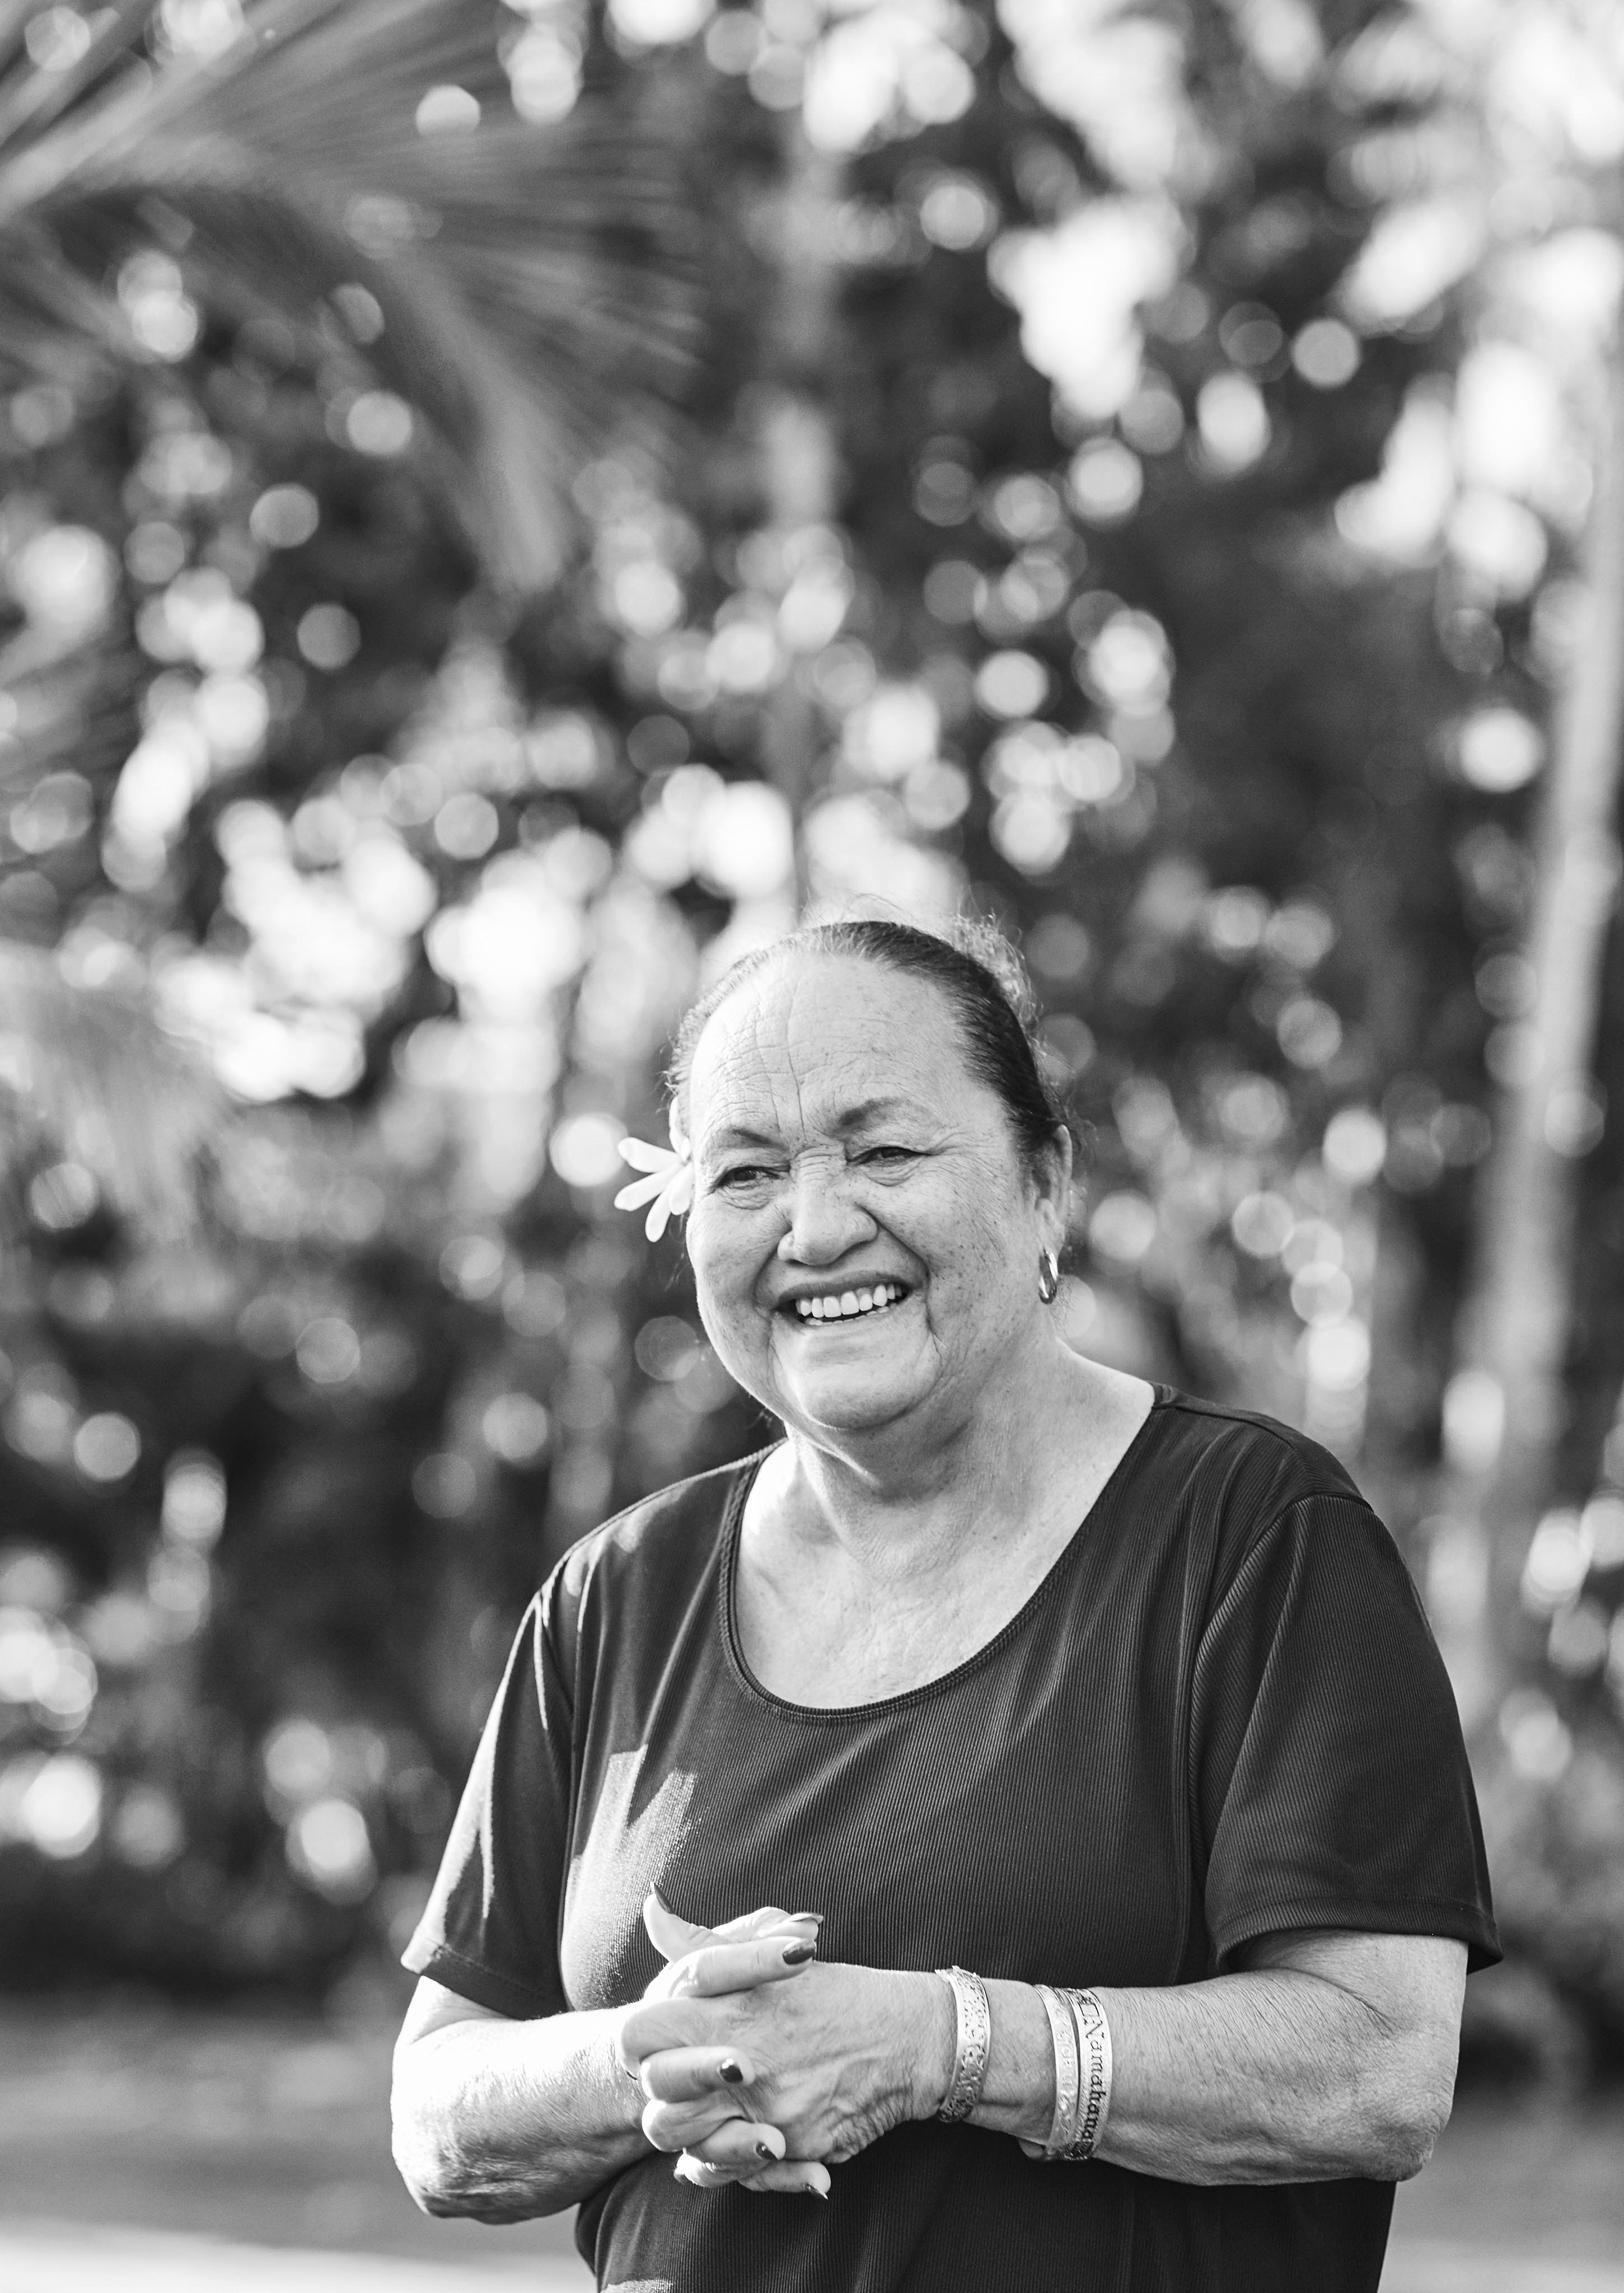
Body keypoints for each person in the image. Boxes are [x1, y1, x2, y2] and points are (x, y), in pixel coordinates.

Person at [391, 916, 1498, 2293]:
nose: (812, 1225)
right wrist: (652, 2056)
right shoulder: (614, 1594)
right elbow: (435, 2109)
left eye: (883, 1150)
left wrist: (939, 2046)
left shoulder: (1254, 1536)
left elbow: (1377, 2065)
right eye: (745, 1170)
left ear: (1045, 1183)